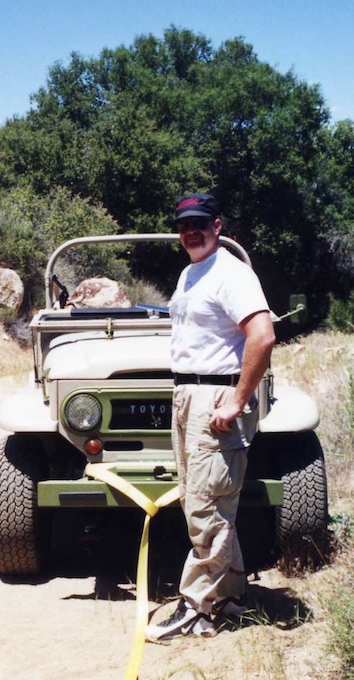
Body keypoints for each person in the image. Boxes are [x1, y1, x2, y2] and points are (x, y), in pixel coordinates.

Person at [145, 193, 276, 641]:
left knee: (207, 506)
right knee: (198, 501)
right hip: (188, 394)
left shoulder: (231, 273)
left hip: (217, 397)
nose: (191, 232)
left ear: (217, 226)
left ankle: (196, 607)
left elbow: (262, 336)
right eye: (184, 225)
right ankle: (229, 596)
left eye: (200, 223)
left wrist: (237, 401)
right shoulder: (190, 273)